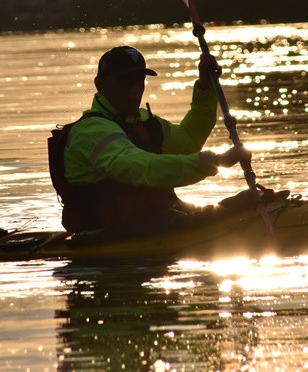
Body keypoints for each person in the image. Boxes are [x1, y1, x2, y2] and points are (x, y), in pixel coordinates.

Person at [49, 45, 250, 233]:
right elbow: (141, 168)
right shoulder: (90, 131)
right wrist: (214, 161)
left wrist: (206, 87)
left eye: (139, 81)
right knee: (223, 214)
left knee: (244, 202)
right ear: (100, 84)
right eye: (124, 82)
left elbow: (188, 142)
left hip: (155, 221)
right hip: (106, 235)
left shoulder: (145, 122)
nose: (135, 91)